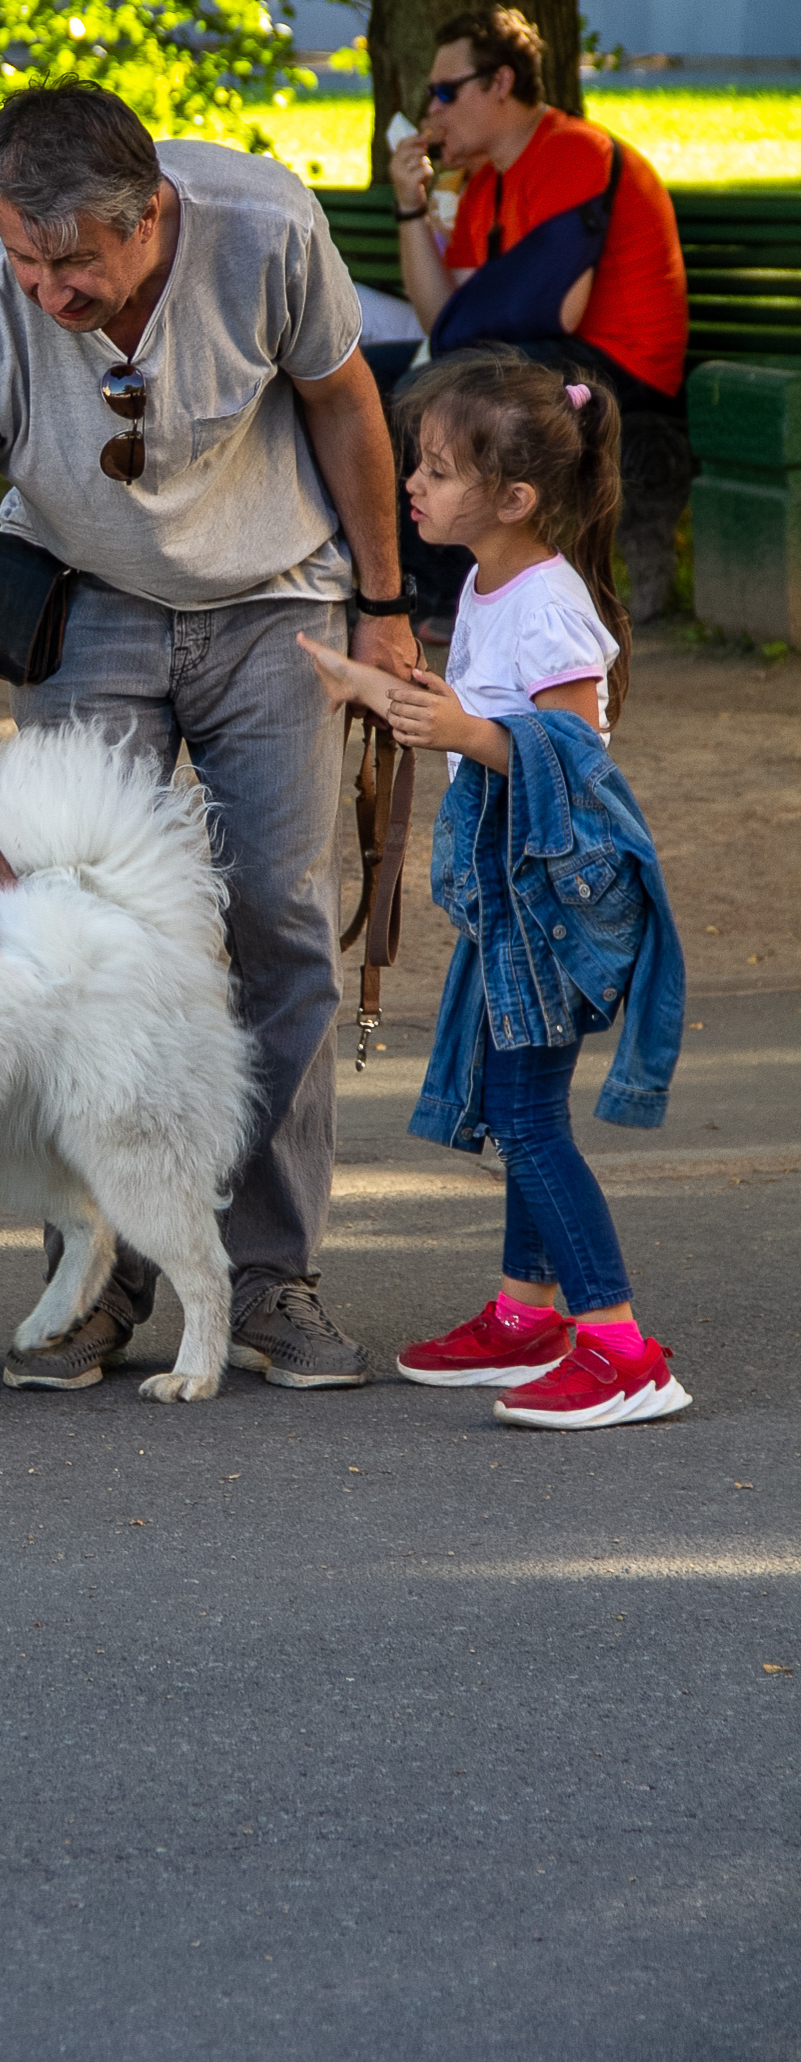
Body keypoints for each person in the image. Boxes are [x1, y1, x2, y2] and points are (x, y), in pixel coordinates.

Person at [0, 82, 418, 1394]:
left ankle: (266, 1272)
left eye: (74, 260)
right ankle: (95, 1274)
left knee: (273, 914)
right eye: (23, 254)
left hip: (272, 594)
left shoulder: (259, 227)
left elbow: (345, 404)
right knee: (73, 928)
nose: (46, 288)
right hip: (85, 594)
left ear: (151, 215)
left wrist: (387, 607)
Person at [300, 350, 691, 1429]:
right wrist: (377, 687)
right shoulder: (484, 581)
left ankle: (618, 1346)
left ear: (514, 497)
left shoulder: (548, 604)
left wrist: (465, 728)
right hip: (511, 896)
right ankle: (527, 1313)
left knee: (524, 1119)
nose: (411, 485)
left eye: (433, 468)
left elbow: (573, 749)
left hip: (554, 900)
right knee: (523, 1109)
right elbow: (475, 710)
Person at [370, 6, 689, 634]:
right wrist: (411, 208)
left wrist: (464, 338)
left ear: (500, 82)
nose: (431, 110)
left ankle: (439, 595)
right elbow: (444, 321)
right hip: (542, 353)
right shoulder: (485, 183)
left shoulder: (573, 152)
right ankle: (389, 581)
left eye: (444, 92)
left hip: (621, 368)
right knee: (363, 382)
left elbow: (558, 306)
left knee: (437, 391)